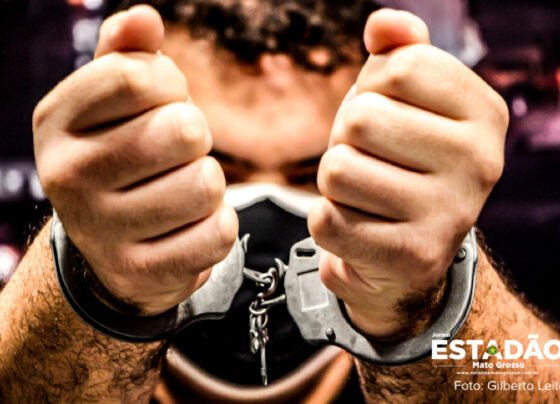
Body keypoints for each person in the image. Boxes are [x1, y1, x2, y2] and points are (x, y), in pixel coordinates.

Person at [0, 1, 558, 402]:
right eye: (216, 171)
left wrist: (426, 306)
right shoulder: (43, 321)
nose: (264, 207)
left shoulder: (526, 267)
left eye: (313, 174)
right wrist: (94, 285)